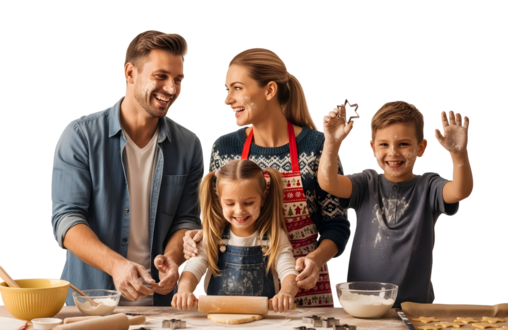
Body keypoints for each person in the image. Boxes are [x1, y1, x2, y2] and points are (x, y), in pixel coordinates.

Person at [183, 47, 352, 307]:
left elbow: (338, 224)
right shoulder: (224, 148)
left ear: (270, 90)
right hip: (238, 293)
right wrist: (195, 236)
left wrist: (316, 260)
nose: (227, 100)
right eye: (226, 90)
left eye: (237, 88)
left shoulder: (318, 146)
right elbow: (216, 217)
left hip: (307, 288)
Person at [50, 30, 204, 306]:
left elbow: (187, 220)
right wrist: (116, 266)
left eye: (178, 79)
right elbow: (66, 221)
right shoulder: (80, 136)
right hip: (89, 304)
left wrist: (172, 259)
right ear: (130, 73)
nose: (171, 88)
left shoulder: (189, 144)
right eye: (160, 76)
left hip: (161, 309)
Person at [318, 100, 474, 307]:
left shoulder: (428, 186)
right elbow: (329, 183)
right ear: (372, 148)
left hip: (414, 307)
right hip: (361, 304)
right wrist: (331, 143)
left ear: (421, 148)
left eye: (403, 144)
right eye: (384, 144)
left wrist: (458, 153)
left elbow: (460, 191)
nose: (393, 152)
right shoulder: (366, 182)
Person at [172, 160, 298, 312]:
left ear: (263, 198)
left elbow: (288, 272)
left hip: (264, 322)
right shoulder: (212, 236)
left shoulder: (274, 237)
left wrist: (286, 293)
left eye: (248, 203)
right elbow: (193, 268)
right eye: (230, 204)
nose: (239, 211)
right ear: (219, 200)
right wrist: (184, 290)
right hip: (216, 323)